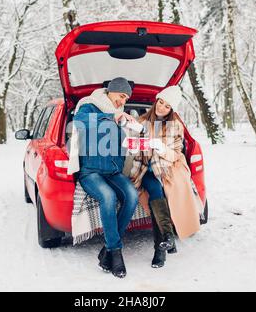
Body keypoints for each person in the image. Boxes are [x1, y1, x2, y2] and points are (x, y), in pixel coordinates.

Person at [68, 77, 139, 278]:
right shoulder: (89, 105)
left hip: (113, 170)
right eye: (121, 96)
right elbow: (79, 123)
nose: (123, 101)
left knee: (132, 195)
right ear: (111, 91)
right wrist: (111, 117)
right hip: (91, 171)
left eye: (126, 98)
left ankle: (107, 248)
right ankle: (116, 253)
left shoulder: (120, 114)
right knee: (108, 197)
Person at [129, 86, 202, 268]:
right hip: (146, 169)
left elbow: (175, 154)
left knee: (158, 193)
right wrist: (135, 142)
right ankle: (165, 241)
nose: (161, 107)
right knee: (154, 189)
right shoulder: (142, 121)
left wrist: (159, 146)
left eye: (167, 106)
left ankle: (162, 246)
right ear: (156, 100)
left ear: (172, 110)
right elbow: (132, 148)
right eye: (160, 102)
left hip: (167, 168)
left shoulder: (175, 125)